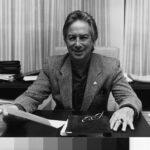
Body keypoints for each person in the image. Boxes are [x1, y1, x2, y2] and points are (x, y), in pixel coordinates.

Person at [0, 10, 142, 132]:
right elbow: (32, 96)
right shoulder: (52, 65)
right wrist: (16, 108)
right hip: (61, 128)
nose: (77, 44)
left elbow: (129, 97)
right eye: (72, 38)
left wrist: (127, 108)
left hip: (96, 128)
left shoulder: (110, 66)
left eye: (84, 37)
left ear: (93, 40)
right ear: (66, 40)